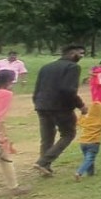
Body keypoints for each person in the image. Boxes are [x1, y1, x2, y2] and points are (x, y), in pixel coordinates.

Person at [33, 45, 87, 175]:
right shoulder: (73, 67)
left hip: (42, 106)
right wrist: (81, 105)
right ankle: (43, 162)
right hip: (60, 108)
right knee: (68, 134)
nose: (82, 56)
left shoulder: (46, 67)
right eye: (81, 53)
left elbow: (37, 88)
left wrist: (37, 103)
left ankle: (45, 167)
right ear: (72, 53)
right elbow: (68, 90)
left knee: (47, 137)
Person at [0, 70, 28, 195]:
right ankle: (14, 187)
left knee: (5, 157)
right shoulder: (5, 94)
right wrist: (1, 136)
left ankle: (14, 187)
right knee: (4, 156)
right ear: (10, 81)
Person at [73, 101, 101, 180]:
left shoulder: (87, 120)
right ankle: (79, 172)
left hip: (83, 143)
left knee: (88, 158)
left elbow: (79, 122)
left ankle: (91, 173)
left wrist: (82, 114)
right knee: (90, 159)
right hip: (93, 143)